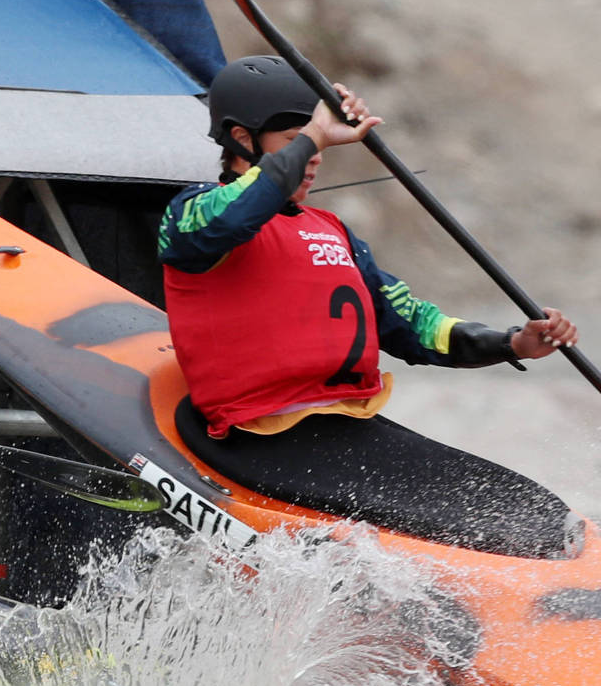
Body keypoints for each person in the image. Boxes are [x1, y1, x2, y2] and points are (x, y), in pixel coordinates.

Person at [159, 53, 579, 555]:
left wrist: (512, 341)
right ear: (242, 139)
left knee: (536, 515)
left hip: (346, 430)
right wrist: (318, 131)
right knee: (493, 534)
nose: (315, 156)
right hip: (261, 438)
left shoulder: (334, 233)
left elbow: (415, 326)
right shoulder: (193, 215)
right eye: (297, 142)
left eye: (313, 142)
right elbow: (232, 218)